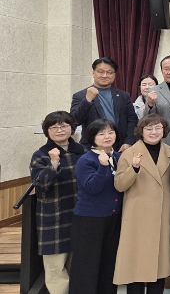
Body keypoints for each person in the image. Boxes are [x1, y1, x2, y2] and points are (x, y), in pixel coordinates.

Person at [113, 114, 170, 294]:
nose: (154, 132)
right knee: (135, 263)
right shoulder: (130, 153)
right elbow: (119, 185)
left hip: (162, 214)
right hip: (137, 216)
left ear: (164, 130)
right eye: (149, 129)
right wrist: (133, 169)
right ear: (141, 131)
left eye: (158, 128)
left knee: (159, 264)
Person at [29, 111, 85, 294]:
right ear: (47, 131)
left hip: (79, 214)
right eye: (54, 127)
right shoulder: (41, 155)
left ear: (72, 128)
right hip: (53, 216)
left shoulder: (82, 151)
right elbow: (40, 184)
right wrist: (53, 164)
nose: (59, 130)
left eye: (64, 126)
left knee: (77, 264)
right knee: (55, 268)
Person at [68, 119, 122, 294]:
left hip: (113, 218)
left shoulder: (119, 157)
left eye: (111, 132)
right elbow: (92, 187)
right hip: (90, 219)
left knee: (108, 264)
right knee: (86, 266)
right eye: (101, 133)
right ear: (92, 137)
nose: (107, 136)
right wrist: (103, 167)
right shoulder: (86, 160)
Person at [71, 57, 138, 151]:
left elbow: (132, 120)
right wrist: (87, 100)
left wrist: (129, 141)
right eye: (100, 72)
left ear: (114, 75)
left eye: (109, 72)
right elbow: (74, 121)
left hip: (120, 147)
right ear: (93, 73)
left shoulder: (123, 96)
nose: (105, 75)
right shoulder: (80, 95)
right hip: (93, 147)